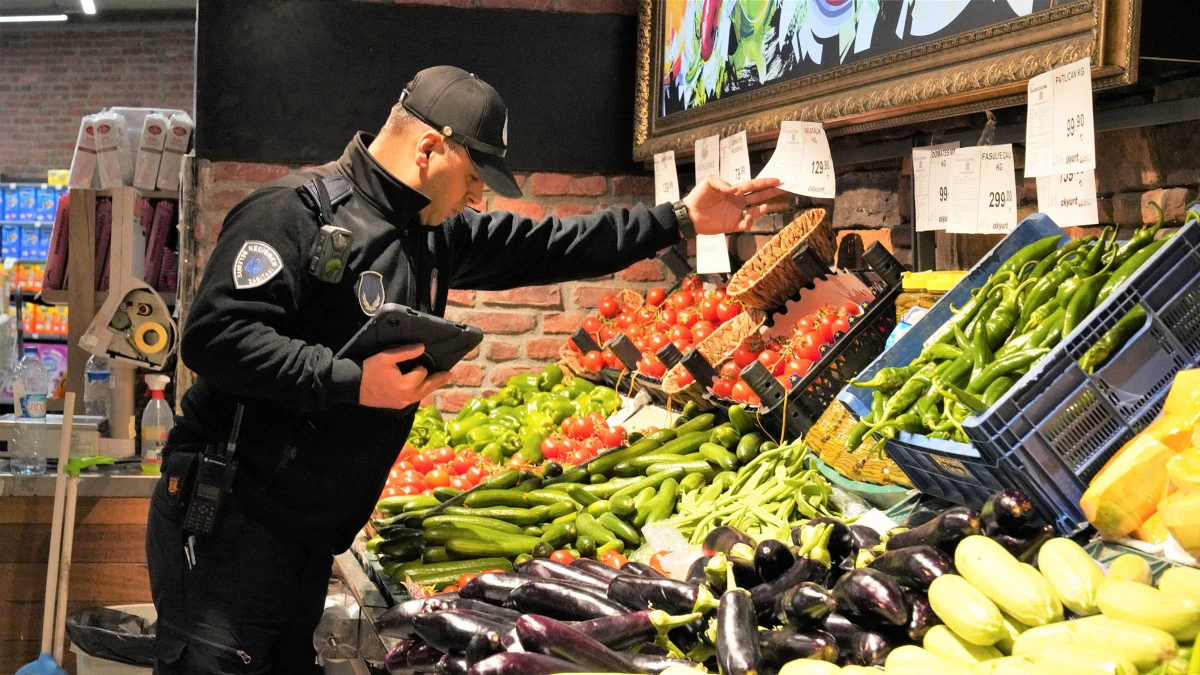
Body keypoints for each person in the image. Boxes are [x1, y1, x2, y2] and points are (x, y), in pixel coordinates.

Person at [146, 65, 788, 674]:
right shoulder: (292, 212)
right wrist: (355, 382)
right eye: (475, 176)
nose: (479, 197)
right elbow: (214, 337)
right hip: (229, 523)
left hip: (305, 533)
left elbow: (550, 246)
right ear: (430, 149)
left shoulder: (429, 233)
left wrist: (679, 219)